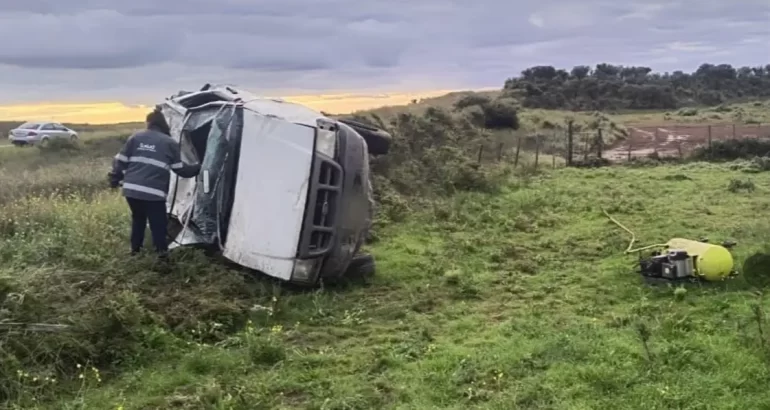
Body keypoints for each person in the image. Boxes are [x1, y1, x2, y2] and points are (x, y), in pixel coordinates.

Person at [108, 108, 201, 257]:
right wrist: (199, 167)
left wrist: (114, 179)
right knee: (158, 224)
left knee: (138, 219)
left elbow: (120, 161)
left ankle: (135, 251)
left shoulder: (135, 138)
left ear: (149, 123)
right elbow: (181, 170)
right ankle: (162, 256)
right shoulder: (170, 143)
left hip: (131, 190)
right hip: (154, 192)